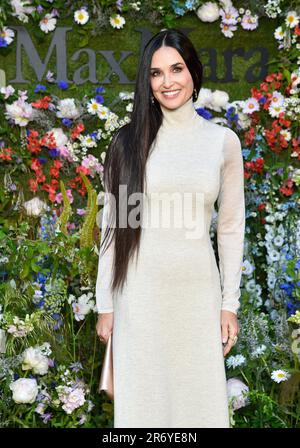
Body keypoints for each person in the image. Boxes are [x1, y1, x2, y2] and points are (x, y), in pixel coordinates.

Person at [95, 28, 245, 428]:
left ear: (193, 72)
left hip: (198, 296)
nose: (167, 82)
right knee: (143, 409)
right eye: (156, 73)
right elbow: (115, 229)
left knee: (201, 408)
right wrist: (105, 304)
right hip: (139, 297)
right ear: (147, 81)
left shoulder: (222, 143)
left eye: (176, 69)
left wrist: (229, 303)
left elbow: (230, 227)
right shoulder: (127, 144)